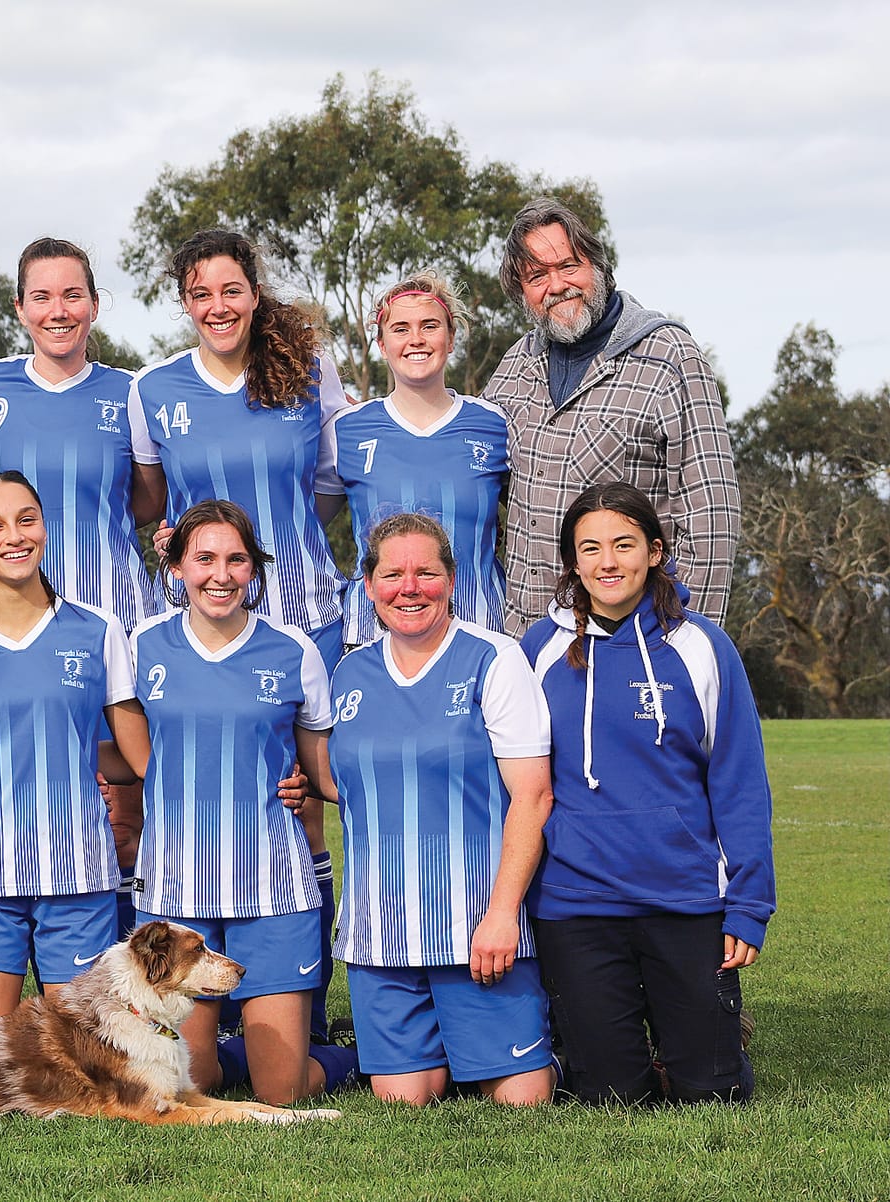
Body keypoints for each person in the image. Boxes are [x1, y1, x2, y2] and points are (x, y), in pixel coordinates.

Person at [130, 227, 348, 1038]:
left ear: (253, 293)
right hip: (203, 612)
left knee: (298, 807)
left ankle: (303, 1006)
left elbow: (328, 487)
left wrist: (278, 545)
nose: (217, 306)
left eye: (230, 290)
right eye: (199, 294)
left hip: (303, 614)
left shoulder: (307, 371)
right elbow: (151, 501)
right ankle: (202, 1005)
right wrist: (189, 551)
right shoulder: (153, 389)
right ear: (183, 303)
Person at [520, 482, 772, 1104]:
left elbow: (740, 782)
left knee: (710, 1095)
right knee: (610, 1097)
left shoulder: (703, 648)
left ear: (655, 552)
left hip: (684, 898)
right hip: (576, 903)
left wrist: (746, 906)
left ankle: (712, 1037)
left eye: (625, 545)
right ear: (573, 562)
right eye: (591, 548)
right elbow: (511, 781)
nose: (608, 562)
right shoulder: (537, 651)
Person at [316, 512, 555, 1106]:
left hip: (478, 934)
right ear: (369, 586)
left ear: (451, 579)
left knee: (522, 1100)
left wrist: (503, 914)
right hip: (381, 934)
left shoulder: (494, 660)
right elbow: (349, 781)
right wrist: (302, 785)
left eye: (426, 572)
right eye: (392, 574)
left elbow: (534, 795)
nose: (410, 587)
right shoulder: (350, 671)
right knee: (403, 1100)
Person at [129, 500, 357, 1104]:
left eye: (236, 560)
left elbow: (320, 769)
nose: (220, 575)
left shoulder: (293, 650)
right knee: (190, 1083)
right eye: (204, 558)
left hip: (272, 886)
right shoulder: (142, 645)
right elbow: (123, 749)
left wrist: (308, 784)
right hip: (176, 892)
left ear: (254, 570)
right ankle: (238, 1047)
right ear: (176, 566)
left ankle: (349, 1058)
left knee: (280, 1092)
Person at [0, 472, 149, 1016]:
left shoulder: (98, 630)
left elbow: (137, 762)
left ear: (44, 527)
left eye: (26, 520)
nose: (14, 536)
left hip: (79, 874)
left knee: (86, 1070)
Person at [485, 197, 740, 635]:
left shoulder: (669, 356)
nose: (557, 285)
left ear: (598, 266)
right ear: (520, 292)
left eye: (569, 265)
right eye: (537, 276)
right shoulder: (516, 366)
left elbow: (711, 513)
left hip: (632, 639)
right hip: (526, 641)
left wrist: (688, 642)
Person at [0, 237, 164, 630]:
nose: (58, 312)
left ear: (94, 304)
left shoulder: (130, 390)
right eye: (41, 297)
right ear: (20, 309)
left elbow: (148, 501)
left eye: (72, 296)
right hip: (15, 618)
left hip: (117, 613)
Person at [322, 271, 510, 646]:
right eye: (401, 328)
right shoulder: (346, 429)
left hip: (479, 638)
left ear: (451, 337)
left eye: (430, 326)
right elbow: (300, 521)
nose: (416, 339)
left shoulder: (494, 424)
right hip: (373, 640)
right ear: (380, 341)